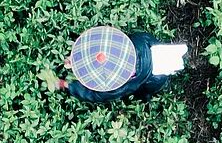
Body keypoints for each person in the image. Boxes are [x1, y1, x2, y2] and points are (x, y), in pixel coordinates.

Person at [54, 26, 187, 103]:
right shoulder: (139, 39)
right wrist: (75, 58)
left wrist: (66, 85)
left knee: (144, 93)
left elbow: (96, 95)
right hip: (149, 47)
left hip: (154, 78)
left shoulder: (123, 85)